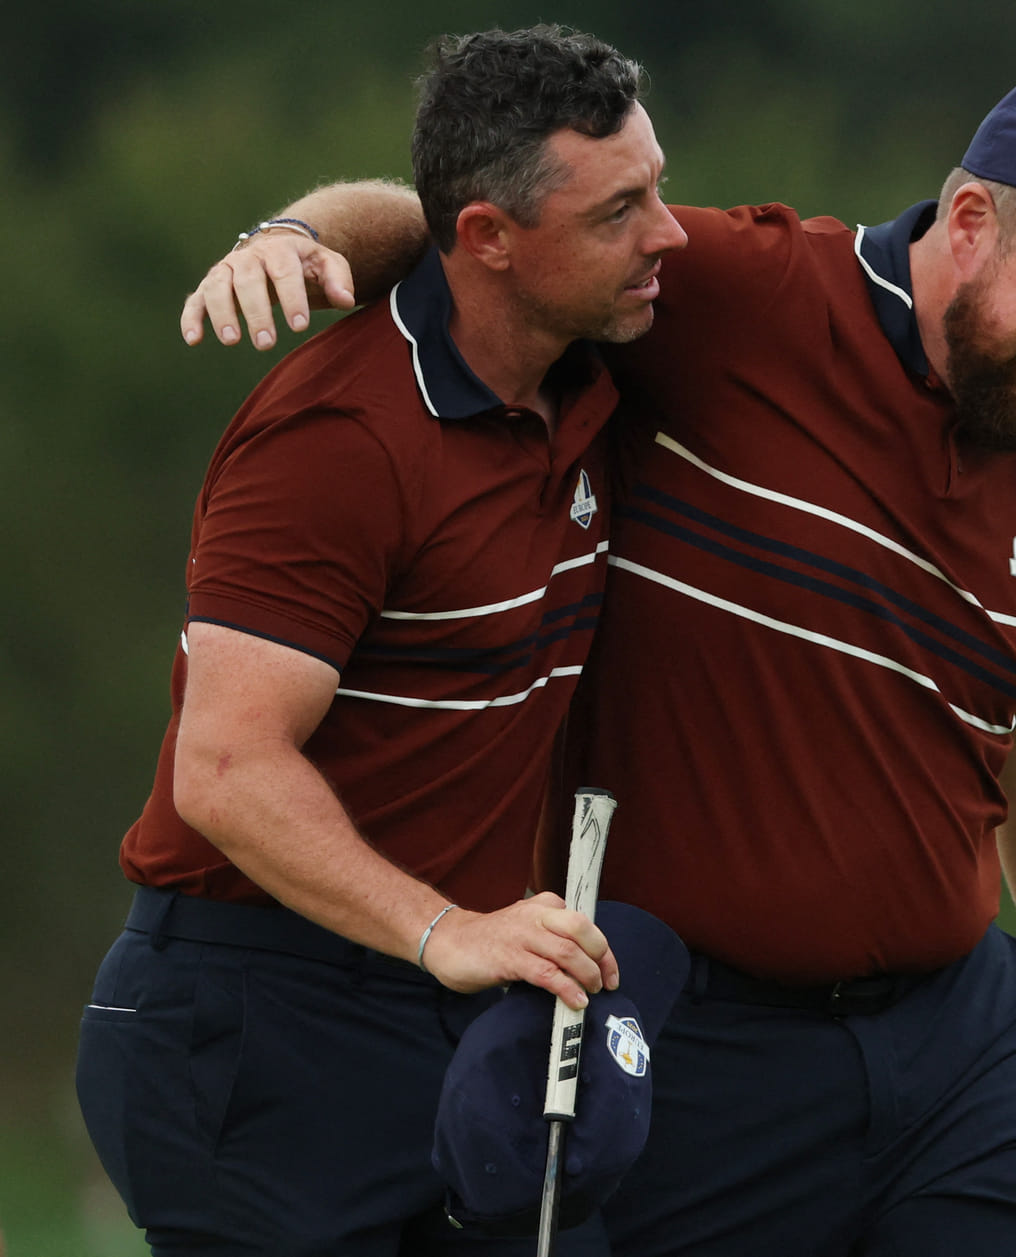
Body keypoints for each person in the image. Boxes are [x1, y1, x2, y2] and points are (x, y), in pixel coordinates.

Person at [182, 58, 1016, 1255]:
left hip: (961, 1053)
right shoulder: (740, 294)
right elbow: (488, 235)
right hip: (695, 1045)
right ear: (967, 225)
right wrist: (295, 230)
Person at [79, 26, 687, 1255]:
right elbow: (227, 769)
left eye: (658, 185)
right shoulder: (335, 441)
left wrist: (311, 228)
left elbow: (403, 219)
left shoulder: (582, 368)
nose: (669, 232)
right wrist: (444, 930)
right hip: (255, 1017)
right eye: (623, 208)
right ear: (488, 243)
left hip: (448, 999)